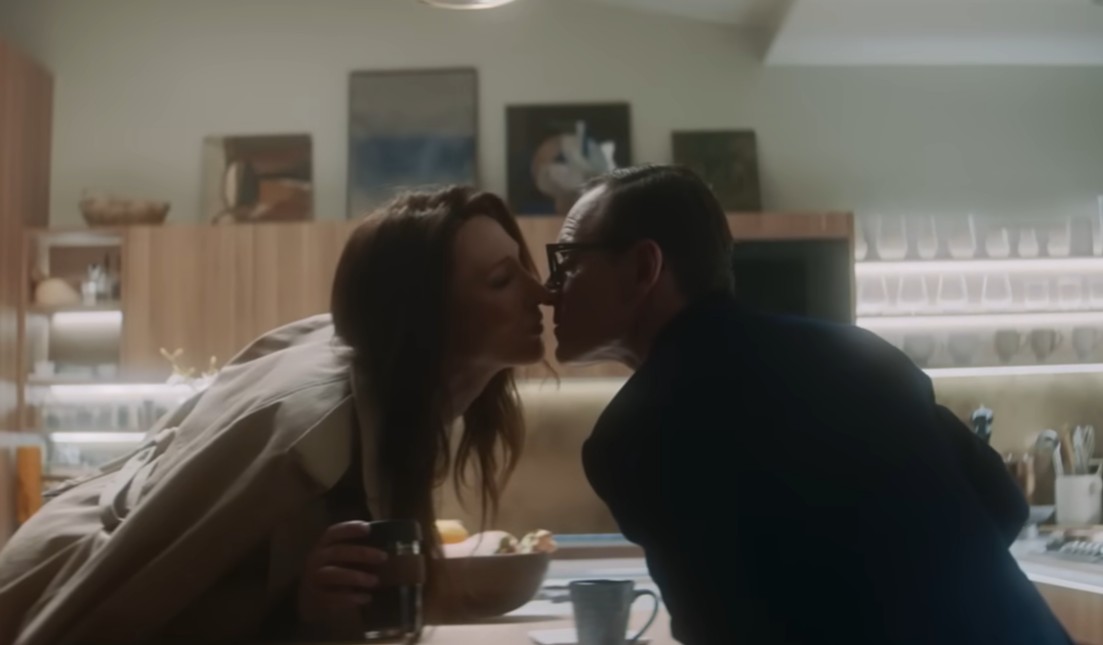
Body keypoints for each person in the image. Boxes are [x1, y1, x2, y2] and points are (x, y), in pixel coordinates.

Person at [0, 186, 552, 644]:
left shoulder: (388, 382)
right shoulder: (312, 436)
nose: (542, 292)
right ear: (423, 318)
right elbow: (130, 595)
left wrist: (302, 605)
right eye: (502, 281)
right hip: (54, 583)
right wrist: (298, 609)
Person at [547, 164, 1072, 644]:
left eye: (567, 261)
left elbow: (724, 630)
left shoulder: (635, 434)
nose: (550, 289)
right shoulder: (856, 352)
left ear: (643, 268)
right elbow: (1004, 505)